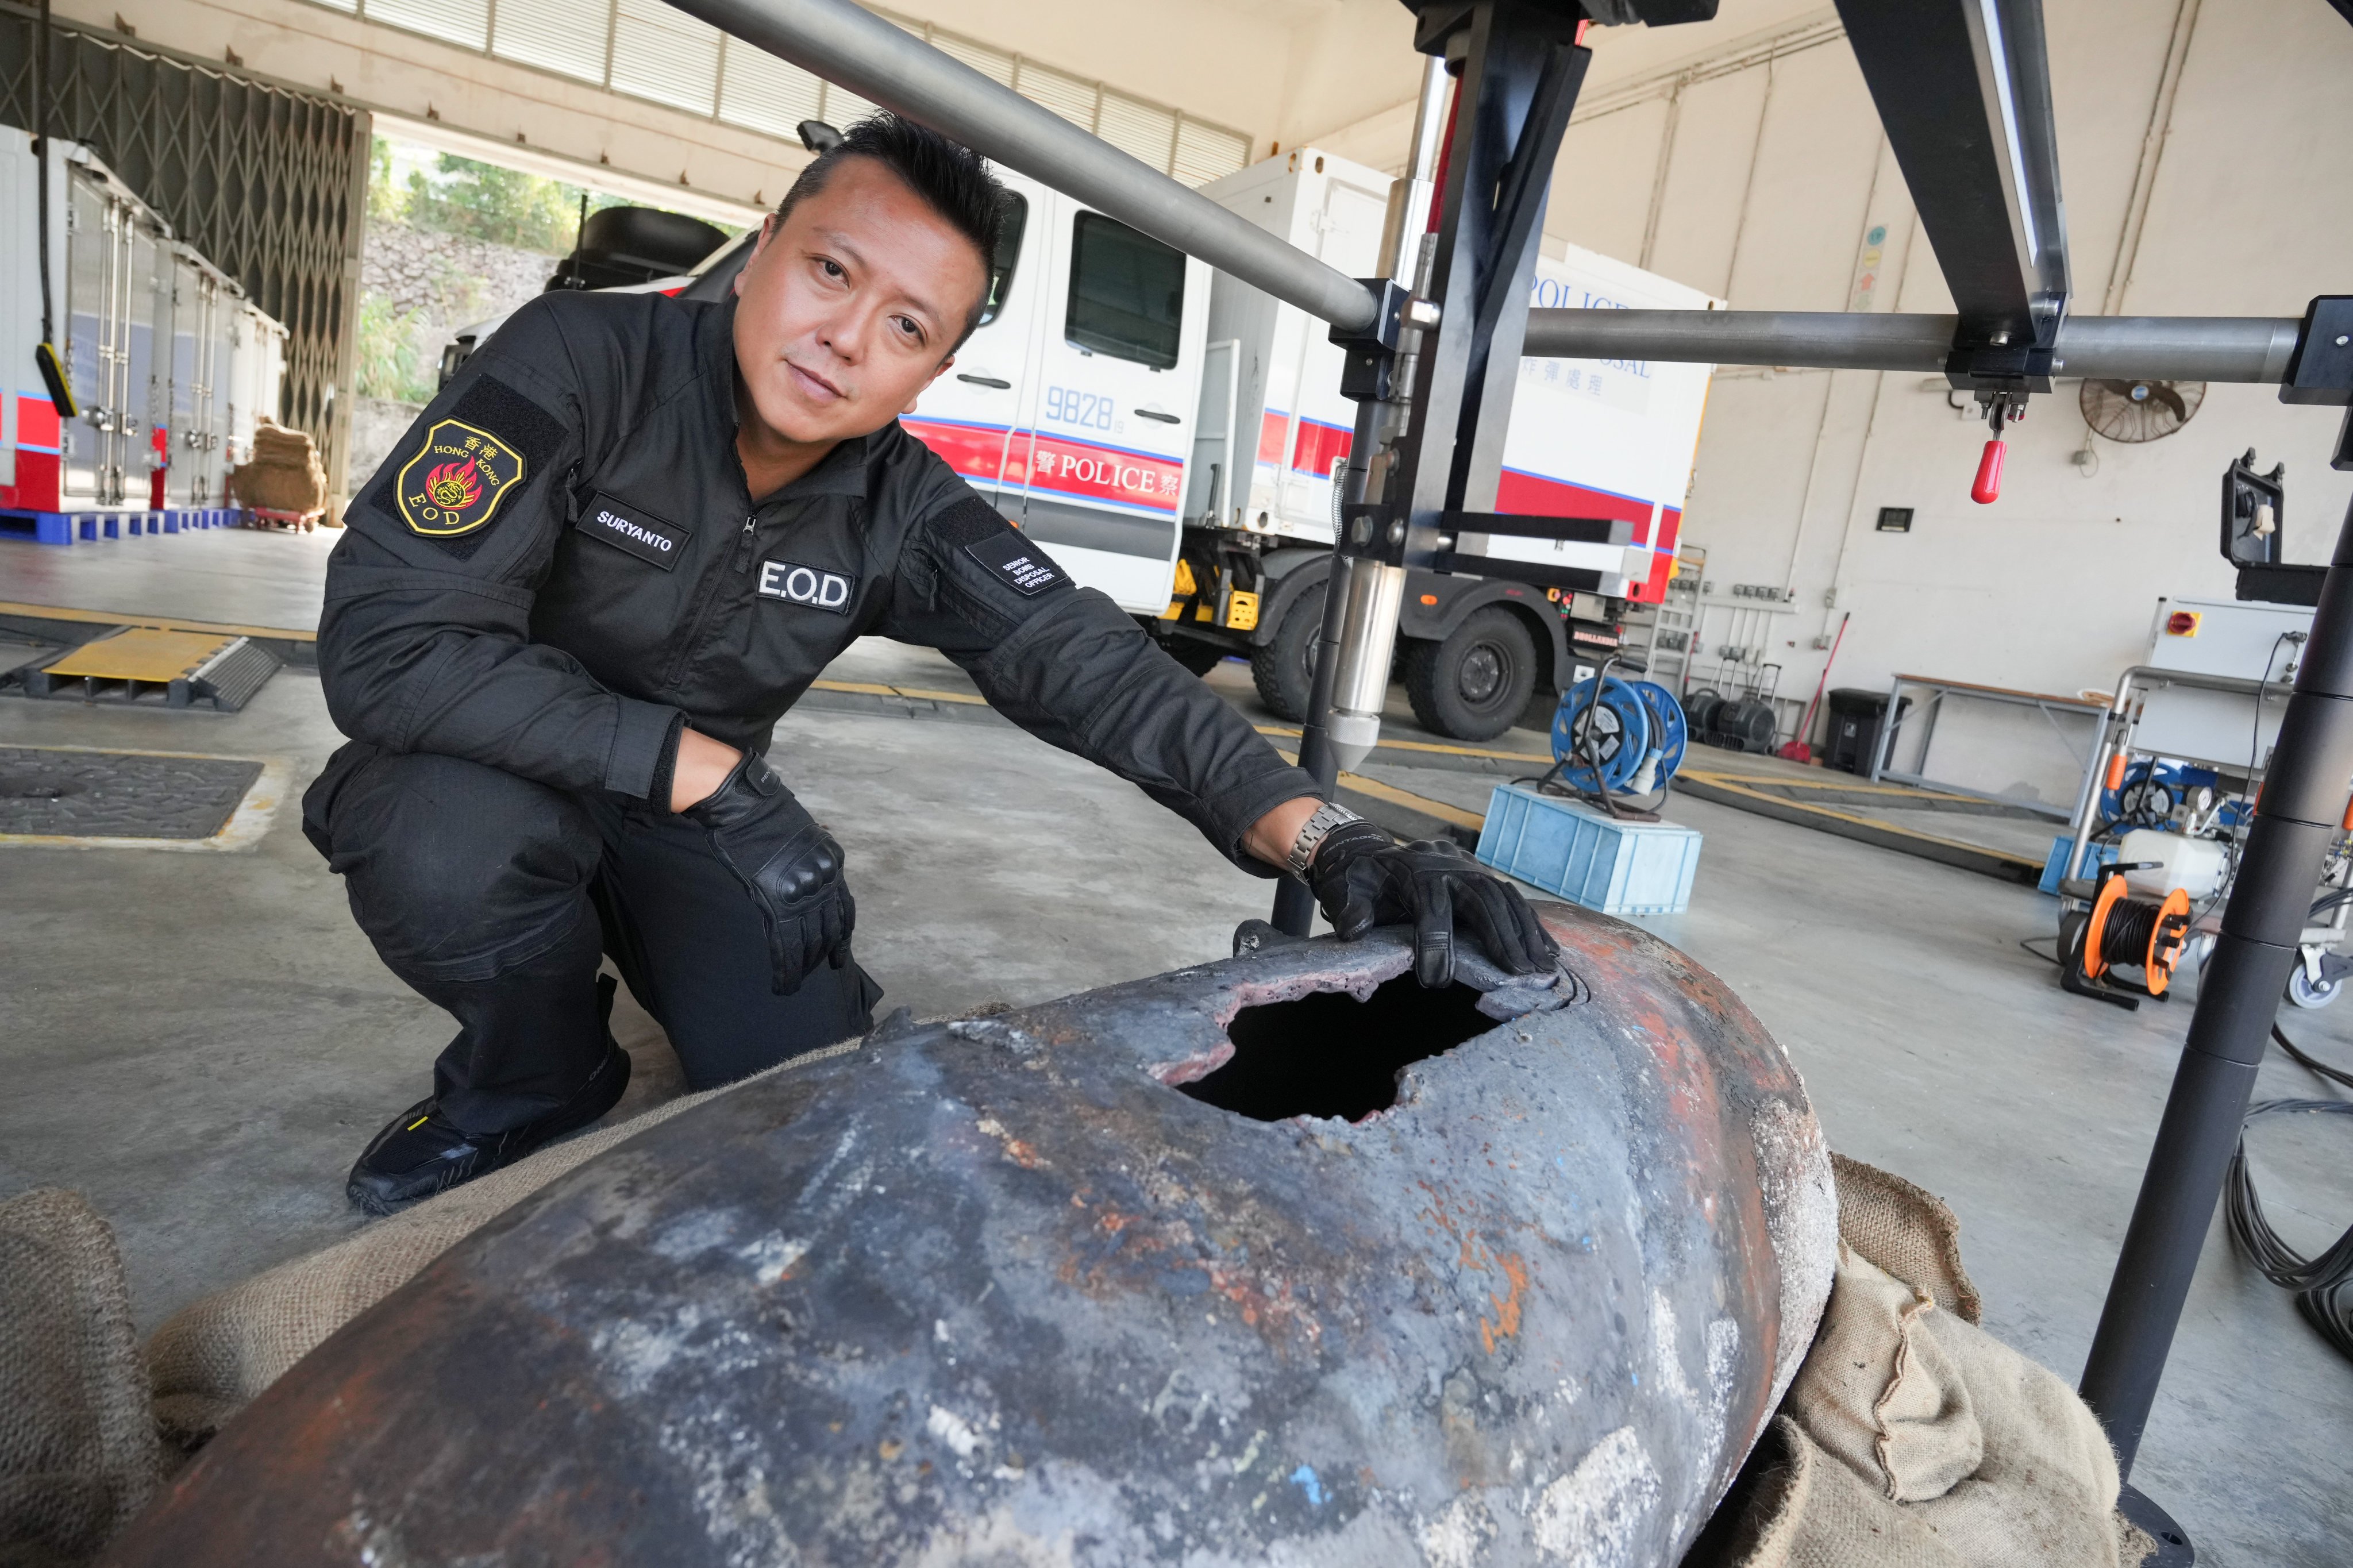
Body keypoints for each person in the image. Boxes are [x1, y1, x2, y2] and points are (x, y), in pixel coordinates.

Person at [306, 114, 1555, 1216]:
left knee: (807, 1092)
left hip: (691, 820)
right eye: (828, 272)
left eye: (902, 325)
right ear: (765, 245)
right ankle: (535, 1073)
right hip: (503, 770)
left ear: (934, 367)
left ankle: (680, 956)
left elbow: (1091, 666)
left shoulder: (900, 503)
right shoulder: (582, 360)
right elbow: (390, 643)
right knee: (440, 843)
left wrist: (1327, 841)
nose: (844, 338)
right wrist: (696, 768)